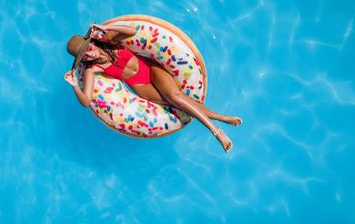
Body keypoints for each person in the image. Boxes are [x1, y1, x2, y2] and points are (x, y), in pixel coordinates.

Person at [64, 23, 242, 152]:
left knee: (176, 97)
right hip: (141, 86)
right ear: (84, 59)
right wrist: (74, 86)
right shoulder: (92, 69)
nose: (90, 53)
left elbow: (132, 31)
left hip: (151, 69)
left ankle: (216, 131)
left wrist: (106, 28)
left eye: (88, 48)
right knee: (177, 103)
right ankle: (222, 117)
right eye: (85, 55)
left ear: (92, 43)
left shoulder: (110, 42)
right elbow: (86, 101)